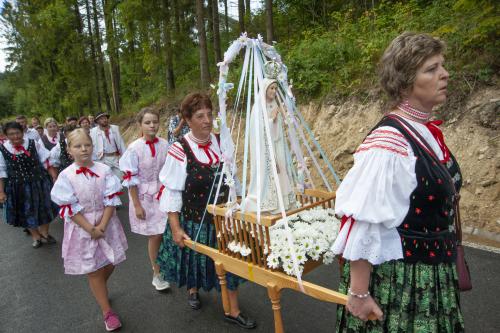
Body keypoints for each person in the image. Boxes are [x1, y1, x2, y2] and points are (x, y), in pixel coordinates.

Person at [331, 32, 464, 332]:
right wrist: (359, 293)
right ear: (404, 82)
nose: (445, 74)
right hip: (404, 281)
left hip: (431, 272)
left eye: (442, 65)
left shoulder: (422, 130)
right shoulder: (389, 142)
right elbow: (365, 221)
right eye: (431, 69)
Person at [157, 93, 256, 329]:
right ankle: (193, 289)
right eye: (200, 116)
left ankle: (233, 310)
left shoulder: (221, 143)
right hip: (194, 220)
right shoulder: (179, 150)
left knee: (231, 265)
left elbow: (232, 179)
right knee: (195, 262)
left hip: (224, 220)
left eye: (209, 115)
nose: (207, 120)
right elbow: (171, 191)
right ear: (187, 120)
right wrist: (176, 228)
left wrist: (240, 203)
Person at [50, 129, 127, 332]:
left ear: (93, 146)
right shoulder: (66, 176)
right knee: (93, 270)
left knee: (110, 262)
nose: (84, 149)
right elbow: (68, 207)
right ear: (69, 150)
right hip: (82, 228)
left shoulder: (104, 169)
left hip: (106, 223)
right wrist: (90, 228)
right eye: (78, 146)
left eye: (87, 145)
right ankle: (107, 311)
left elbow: (111, 199)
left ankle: (99, 288)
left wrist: (102, 225)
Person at [119, 107, 170, 291]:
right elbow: (130, 180)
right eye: (147, 122)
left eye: (155, 122)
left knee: (167, 232)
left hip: (163, 194)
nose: (152, 125)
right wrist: (137, 205)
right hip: (144, 197)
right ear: (140, 124)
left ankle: (167, 265)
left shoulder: (165, 144)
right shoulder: (134, 148)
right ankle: (156, 272)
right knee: (155, 235)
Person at [0, 121, 58, 248]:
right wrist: (1, 191)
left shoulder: (32, 143)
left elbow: (46, 160)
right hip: (17, 186)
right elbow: (1, 170)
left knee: (45, 208)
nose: (15, 137)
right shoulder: (3, 149)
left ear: (22, 132)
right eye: (11, 134)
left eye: (17, 133)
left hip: (39, 182)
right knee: (25, 212)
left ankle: (45, 234)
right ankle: (36, 236)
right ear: (6, 135)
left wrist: (54, 176)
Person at [243, 77, 296, 214]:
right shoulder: (258, 107)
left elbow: (279, 130)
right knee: (269, 173)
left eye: (276, 88)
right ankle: (269, 203)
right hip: (265, 150)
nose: (274, 91)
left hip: (276, 145)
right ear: (265, 89)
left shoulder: (274, 105)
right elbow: (258, 131)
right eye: (271, 88)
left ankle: (282, 203)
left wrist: (279, 118)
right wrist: (271, 119)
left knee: (281, 170)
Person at [90, 112, 126, 178]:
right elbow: (92, 146)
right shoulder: (93, 132)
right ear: (97, 121)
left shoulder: (114, 128)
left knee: (121, 177)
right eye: (101, 119)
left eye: (105, 118)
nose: (104, 120)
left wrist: (125, 157)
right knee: (107, 178)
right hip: (103, 158)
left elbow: (121, 143)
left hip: (115, 157)